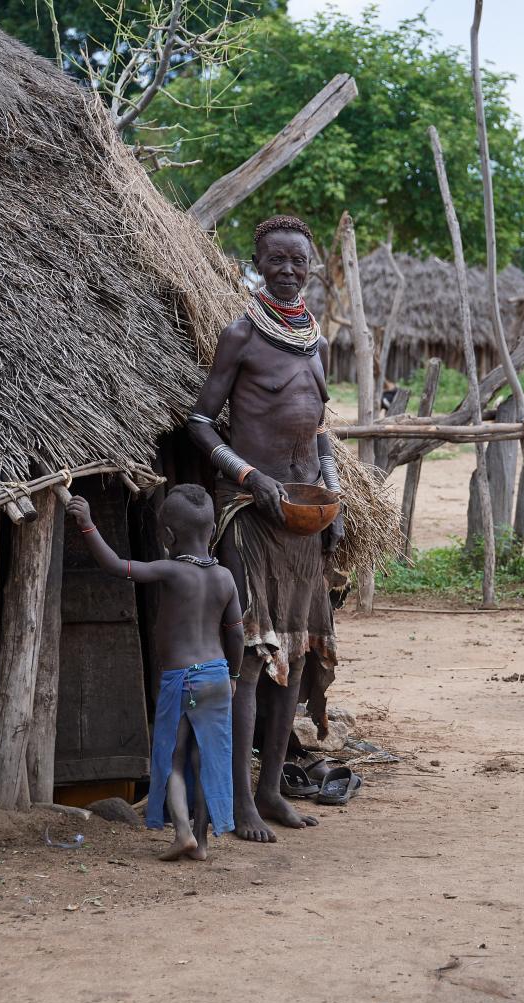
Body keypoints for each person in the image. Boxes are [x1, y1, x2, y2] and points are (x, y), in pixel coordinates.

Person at [187, 214, 343, 843]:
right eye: (275, 260)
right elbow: (199, 423)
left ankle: (272, 790)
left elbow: (321, 425)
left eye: (297, 261)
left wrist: (332, 488)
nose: (287, 271)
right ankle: (242, 804)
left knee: (298, 655)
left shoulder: (315, 342)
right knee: (254, 656)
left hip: (306, 514)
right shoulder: (241, 335)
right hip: (251, 516)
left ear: (311, 267)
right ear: (257, 264)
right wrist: (251, 478)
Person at [67, 486, 244, 860]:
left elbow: (117, 566)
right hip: (216, 675)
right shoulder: (225, 578)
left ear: (166, 536)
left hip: (180, 679)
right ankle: (203, 841)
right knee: (207, 760)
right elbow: (236, 633)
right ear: (212, 530)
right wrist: (234, 676)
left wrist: (87, 525)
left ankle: (182, 833)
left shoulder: (170, 570)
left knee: (174, 759)